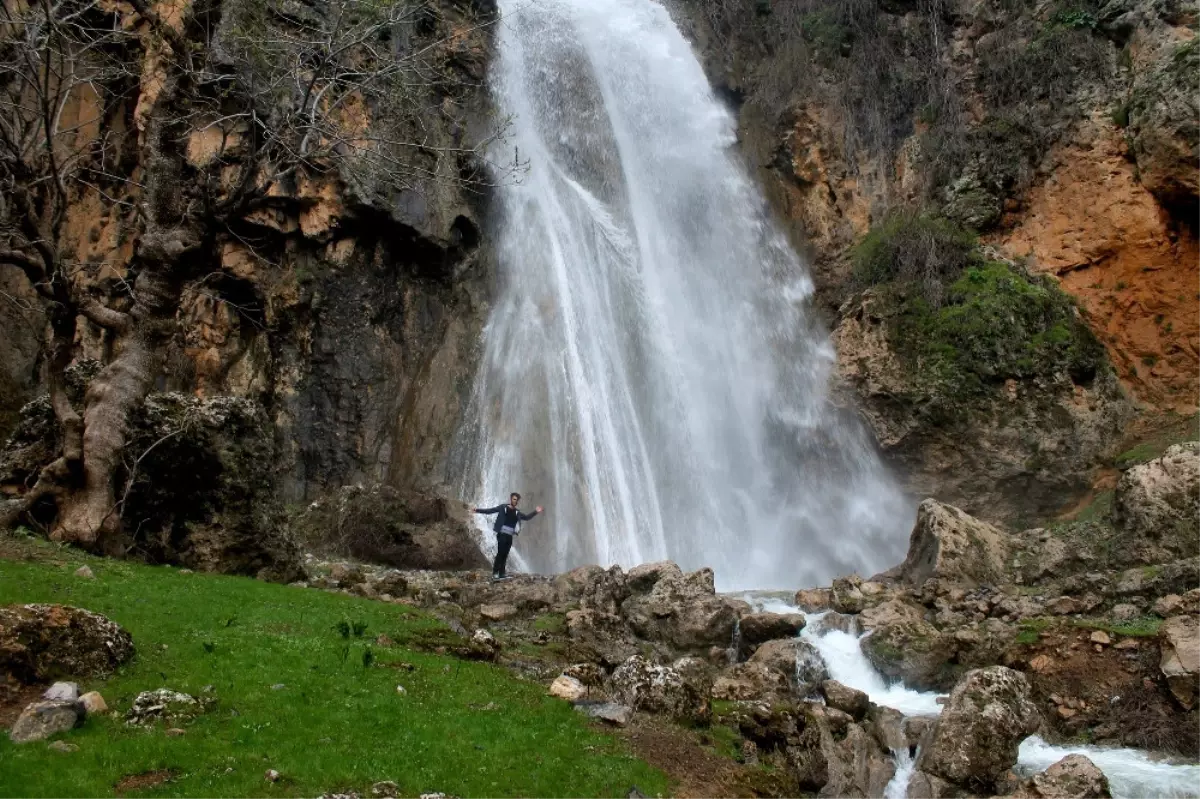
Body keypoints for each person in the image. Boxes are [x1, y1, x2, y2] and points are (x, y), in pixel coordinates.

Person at [473, 493, 543, 580]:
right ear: (510, 499)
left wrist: (535, 511)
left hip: (509, 536)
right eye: (514, 499)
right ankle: (495, 573)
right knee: (500, 553)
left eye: (517, 500)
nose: (515, 501)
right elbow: (490, 510)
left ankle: (502, 573)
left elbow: (527, 517)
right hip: (502, 534)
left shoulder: (517, 512)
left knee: (505, 555)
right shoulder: (503, 507)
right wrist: (477, 510)